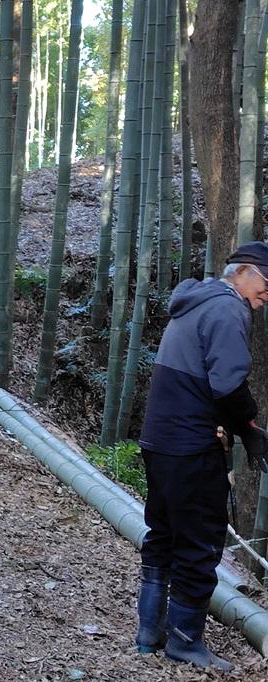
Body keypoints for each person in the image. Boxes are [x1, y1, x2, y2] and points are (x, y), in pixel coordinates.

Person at [135, 242, 268, 671]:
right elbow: (227, 385)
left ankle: (148, 634)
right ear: (243, 272)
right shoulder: (228, 309)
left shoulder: (194, 301)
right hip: (191, 445)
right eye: (267, 282)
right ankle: (185, 642)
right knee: (199, 542)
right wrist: (250, 428)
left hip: (158, 440)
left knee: (162, 533)